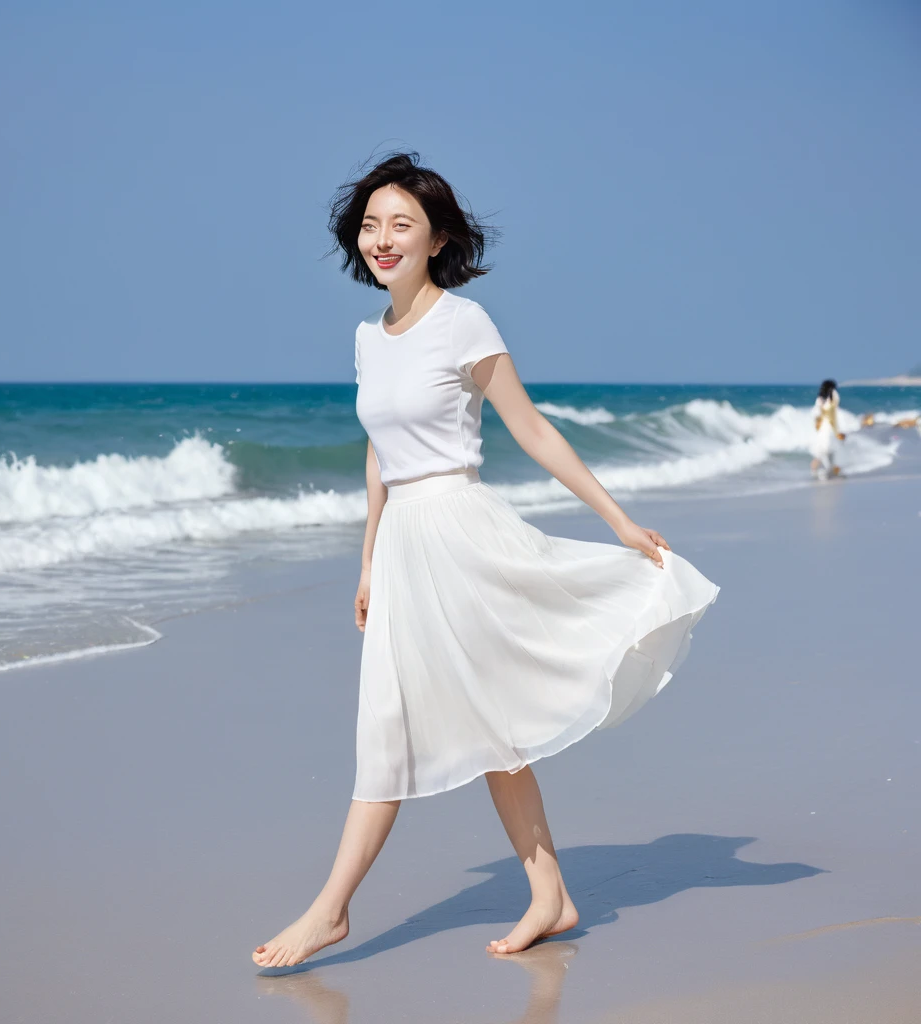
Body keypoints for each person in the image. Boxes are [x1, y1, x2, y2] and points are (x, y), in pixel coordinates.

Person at [252, 152, 719, 969]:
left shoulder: (463, 322)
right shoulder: (369, 337)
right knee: (488, 729)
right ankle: (552, 895)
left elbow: (532, 430)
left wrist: (620, 523)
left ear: (437, 239)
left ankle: (330, 911)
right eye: (370, 224)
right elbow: (379, 456)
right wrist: (366, 563)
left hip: (461, 535)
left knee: (403, 729)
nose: (382, 239)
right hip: (404, 552)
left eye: (401, 224)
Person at [809, 380, 843, 479]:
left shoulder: (820, 399)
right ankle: (827, 472)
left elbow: (816, 415)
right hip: (828, 427)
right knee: (826, 450)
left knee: (823, 451)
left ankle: (820, 472)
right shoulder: (832, 396)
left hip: (824, 427)